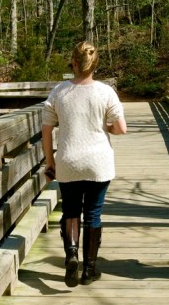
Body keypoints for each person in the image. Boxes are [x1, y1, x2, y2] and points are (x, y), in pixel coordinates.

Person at [42, 42, 128, 287]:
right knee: (93, 213)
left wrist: (50, 163)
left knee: (70, 211)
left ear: (74, 63)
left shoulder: (59, 92)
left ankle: (71, 255)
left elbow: (46, 130)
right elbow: (121, 128)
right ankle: (90, 269)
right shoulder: (105, 92)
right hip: (98, 163)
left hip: (68, 160)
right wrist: (107, 127)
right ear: (94, 64)